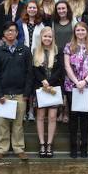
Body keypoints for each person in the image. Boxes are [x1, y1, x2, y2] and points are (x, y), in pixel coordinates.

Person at [0, 21, 33, 161]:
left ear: (17, 33)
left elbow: (29, 73)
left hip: (20, 94)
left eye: (13, 31)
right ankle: (2, 149)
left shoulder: (25, 50)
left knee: (18, 124)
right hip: (3, 95)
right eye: (8, 31)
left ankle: (18, 148)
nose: (11, 33)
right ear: (4, 34)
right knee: (2, 123)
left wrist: (27, 93)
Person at [64, 22, 88, 158]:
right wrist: (76, 82)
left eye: (83, 30)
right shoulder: (69, 47)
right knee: (73, 117)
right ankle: (73, 147)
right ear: (74, 32)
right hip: (72, 86)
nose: (80, 32)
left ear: (87, 31)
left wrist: (84, 81)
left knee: (85, 118)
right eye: (78, 30)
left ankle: (84, 146)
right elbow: (67, 66)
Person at [33, 27, 63, 158]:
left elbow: (60, 69)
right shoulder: (35, 51)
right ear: (41, 37)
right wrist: (43, 80)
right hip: (40, 88)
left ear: (53, 38)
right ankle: (41, 143)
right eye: (45, 36)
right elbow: (34, 69)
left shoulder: (57, 50)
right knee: (40, 116)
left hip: (53, 88)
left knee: (52, 117)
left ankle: (49, 144)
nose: (47, 39)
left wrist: (49, 81)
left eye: (50, 36)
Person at [16, 0, 45, 121]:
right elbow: (16, 38)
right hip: (23, 56)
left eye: (34, 8)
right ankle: (23, 111)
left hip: (37, 56)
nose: (32, 10)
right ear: (26, 9)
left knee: (33, 84)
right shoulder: (19, 22)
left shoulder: (41, 24)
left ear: (37, 9)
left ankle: (32, 111)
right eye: (30, 7)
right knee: (23, 83)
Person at [52, 0, 75, 122]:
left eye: (63, 8)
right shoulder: (53, 23)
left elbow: (76, 38)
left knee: (68, 84)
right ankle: (59, 111)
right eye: (59, 9)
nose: (61, 11)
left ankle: (66, 112)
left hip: (70, 56)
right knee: (59, 84)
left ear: (67, 9)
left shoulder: (73, 22)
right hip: (57, 56)